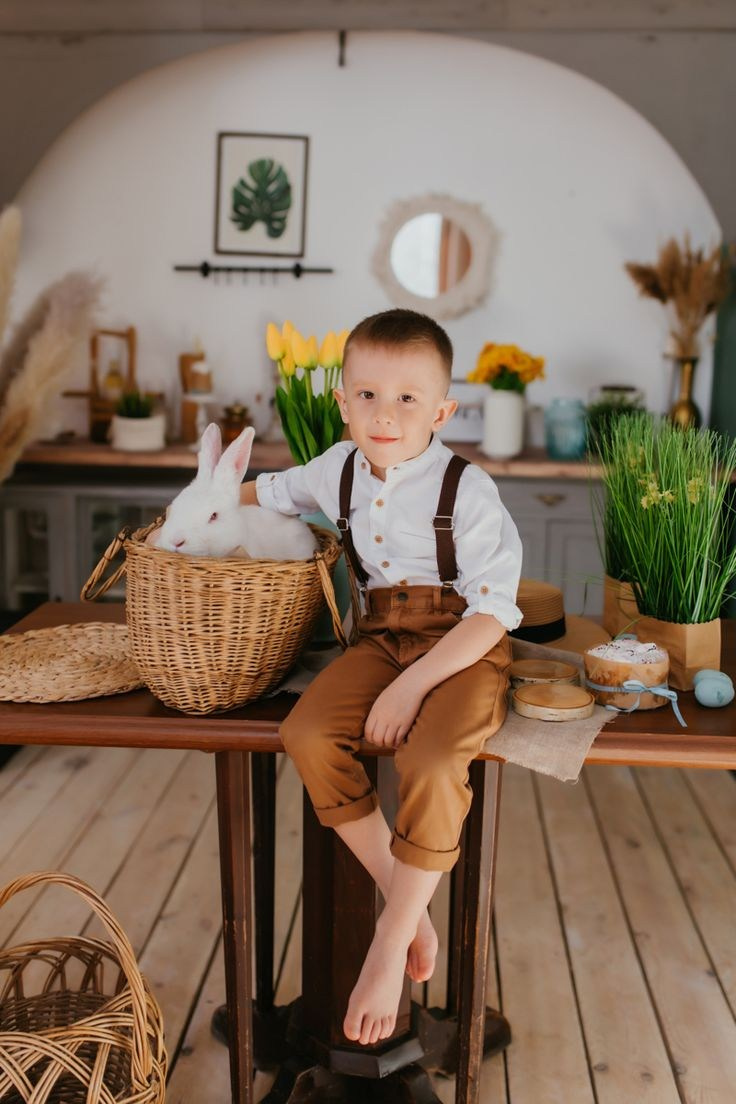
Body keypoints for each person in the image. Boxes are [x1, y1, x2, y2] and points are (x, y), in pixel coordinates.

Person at [239, 308, 522, 1048]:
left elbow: (495, 614)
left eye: (406, 399)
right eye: (366, 395)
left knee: (430, 760)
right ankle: (410, 905)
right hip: (378, 635)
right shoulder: (332, 469)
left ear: (443, 410)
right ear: (341, 400)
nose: (384, 415)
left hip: (462, 643)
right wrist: (192, 511)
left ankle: (389, 945)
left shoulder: (469, 490)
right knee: (305, 730)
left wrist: (411, 686)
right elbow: (263, 494)